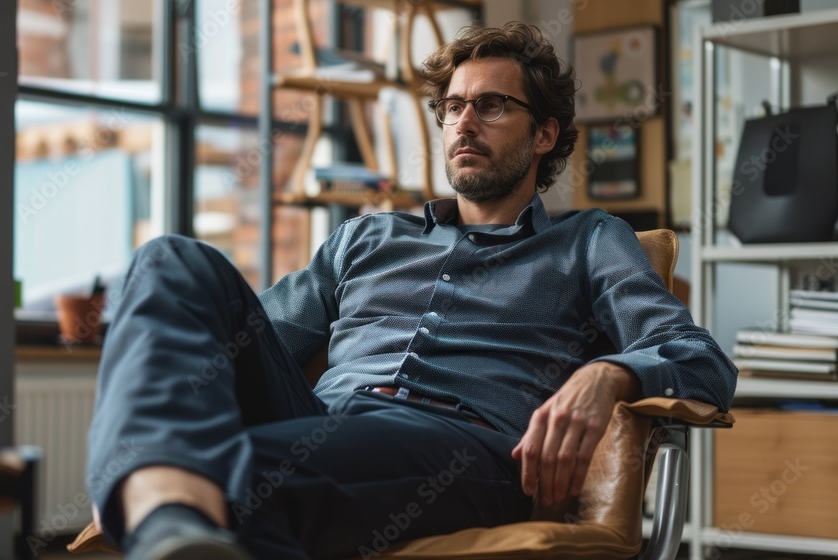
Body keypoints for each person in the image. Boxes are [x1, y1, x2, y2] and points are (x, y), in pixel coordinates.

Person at [86, 21, 736, 560]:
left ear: (544, 135)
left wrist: (612, 373)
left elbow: (701, 360)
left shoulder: (590, 239)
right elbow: (248, 342)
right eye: (453, 107)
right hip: (321, 422)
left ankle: (160, 502)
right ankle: (164, 500)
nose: (464, 123)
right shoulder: (366, 238)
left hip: (459, 448)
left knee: (223, 472)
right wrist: (149, 417)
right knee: (173, 258)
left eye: (491, 105)